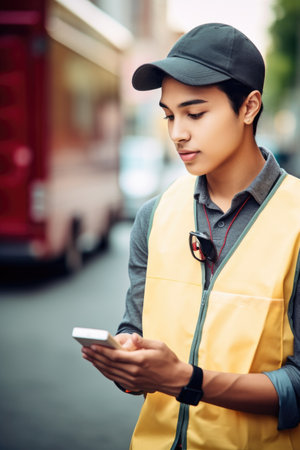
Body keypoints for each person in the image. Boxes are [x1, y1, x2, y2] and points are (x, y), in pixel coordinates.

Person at [82, 23, 300, 449]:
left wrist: (186, 380)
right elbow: (136, 327)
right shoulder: (153, 215)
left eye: (195, 113)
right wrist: (128, 360)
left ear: (250, 106)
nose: (177, 133)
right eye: (169, 114)